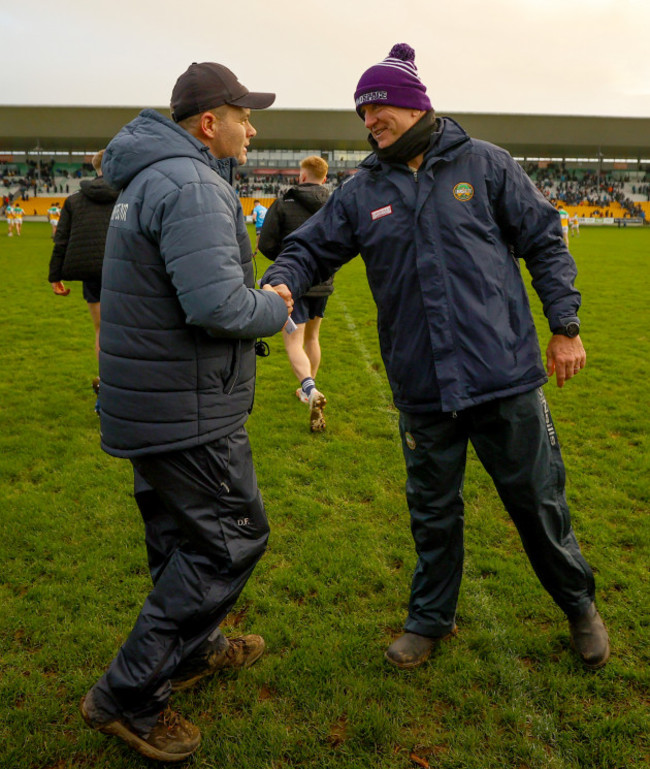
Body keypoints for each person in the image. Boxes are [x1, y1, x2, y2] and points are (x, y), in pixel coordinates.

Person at [262, 43, 609, 673]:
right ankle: (430, 618)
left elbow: (545, 243)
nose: (369, 121)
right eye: (361, 114)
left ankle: (580, 606)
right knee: (432, 512)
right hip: (421, 385)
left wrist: (566, 326)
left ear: (415, 103)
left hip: (504, 375)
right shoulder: (363, 189)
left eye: (378, 107)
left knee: (538, 502)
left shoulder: (487, 164)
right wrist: (285, 277)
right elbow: (308, 249)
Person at [79, 62, 289, 762]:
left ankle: (195, 650)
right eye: (243, 115)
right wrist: (274, 306)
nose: (251, 128)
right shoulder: (194, 183)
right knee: (229, 539)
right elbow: (217, 305)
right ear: (210, 123)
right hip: (185, 408)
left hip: (151, 403)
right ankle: (130, 694)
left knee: (177, 537)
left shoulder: (148, 177)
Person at [258, 155, 331, 432]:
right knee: (313, 337)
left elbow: (266, 242)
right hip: (322, 280)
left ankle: (310, 390)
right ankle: (307, 390)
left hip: (289, 281)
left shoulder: (284, 201)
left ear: (301, 177)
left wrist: (285, 263)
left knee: (293, 341)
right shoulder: (332, 203)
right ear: (324, 179)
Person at [48, 151, 119, 412]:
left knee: (102, 331)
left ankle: (106, 393)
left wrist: (55, 276)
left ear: (95, 167)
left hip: (92, 272)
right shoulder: (130, 196)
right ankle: (130, 391)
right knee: (131, 331)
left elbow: (61, 240)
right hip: (126, 272)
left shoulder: (74, 200)